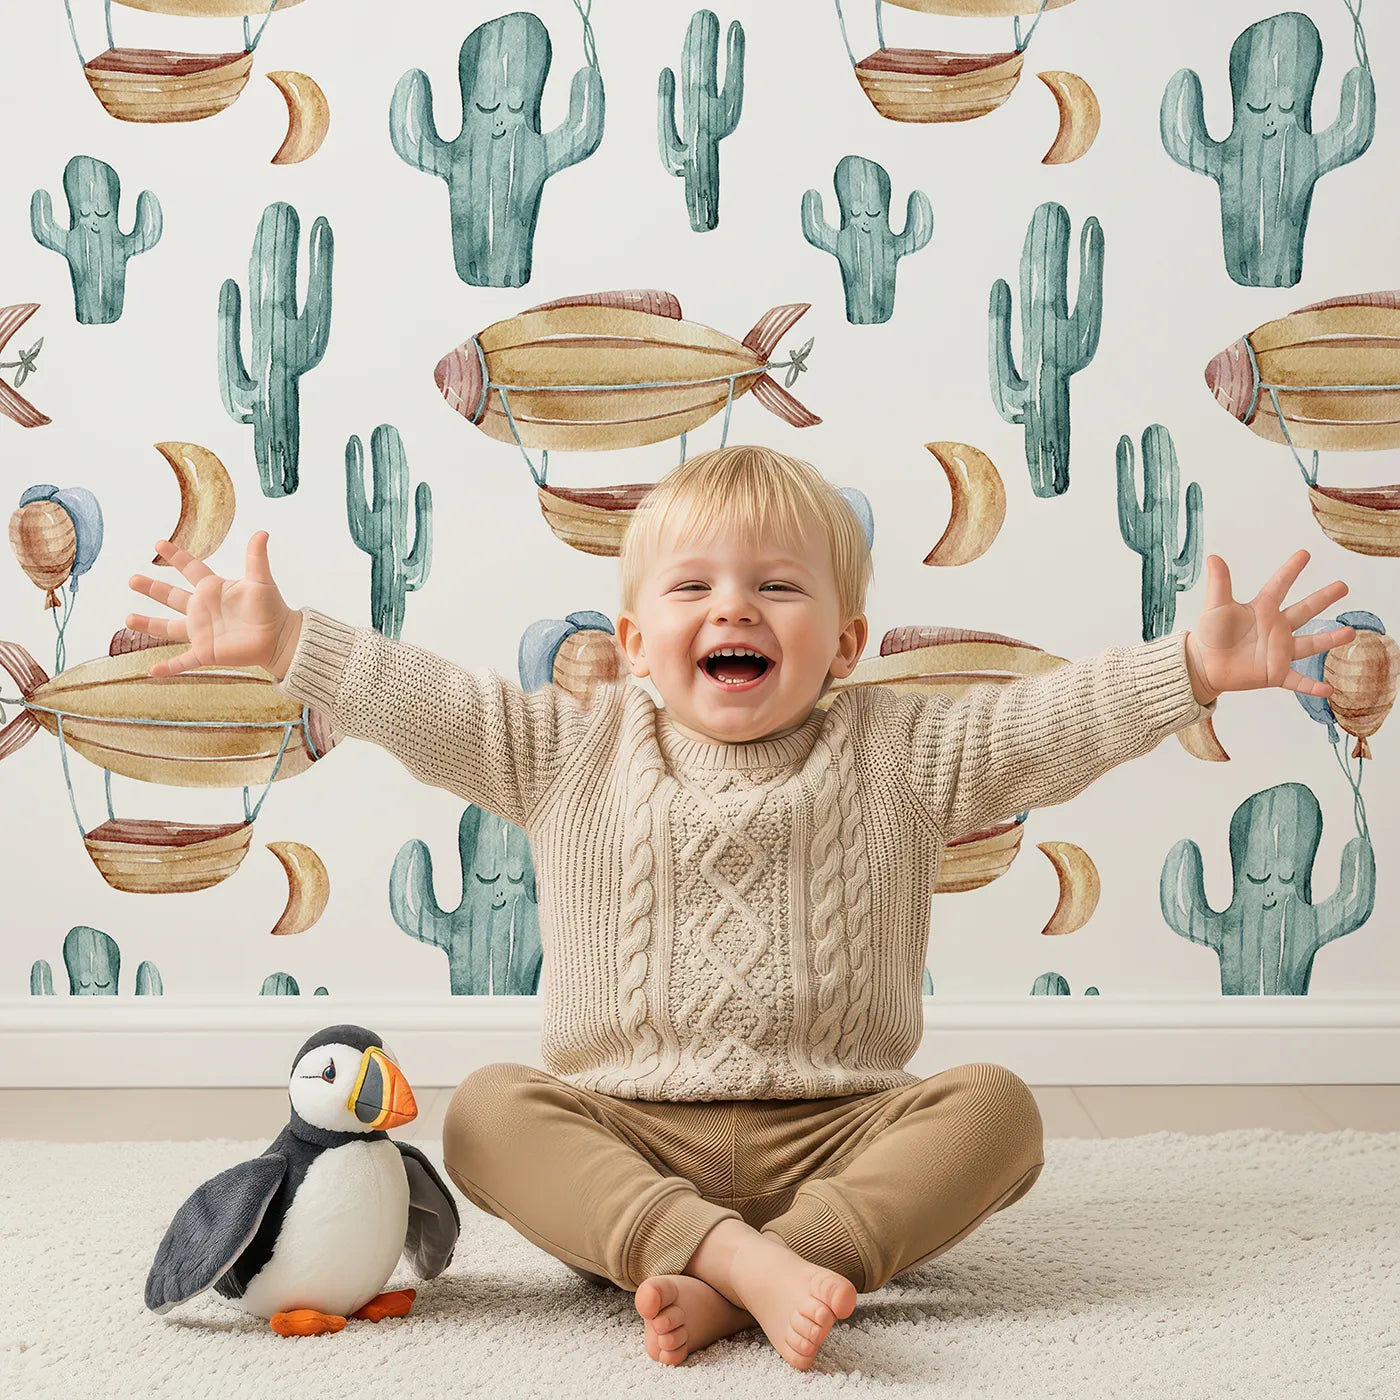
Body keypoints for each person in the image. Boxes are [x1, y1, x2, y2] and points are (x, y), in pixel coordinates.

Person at [126, 443, 1355, 1372]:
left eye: (777, 585)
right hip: (630, 1138)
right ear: (631, 639)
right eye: (692, 587)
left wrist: (1188, 668)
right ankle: (738, 1261)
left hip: (839, 1131)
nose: (733, 608)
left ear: (845, 641)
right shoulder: (568, 748)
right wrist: (290, 643)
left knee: (996, 1109)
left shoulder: (903, 751)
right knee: (490, 1111)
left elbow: (1046, 725)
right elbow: (427, 702)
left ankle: (755, 1270)